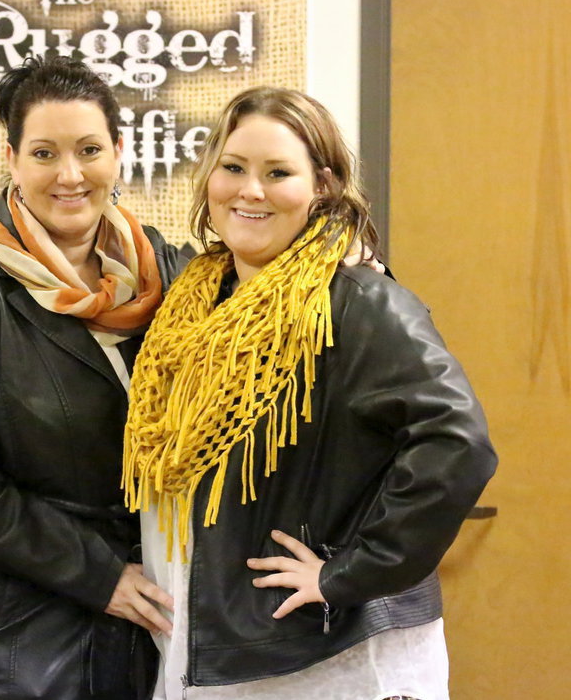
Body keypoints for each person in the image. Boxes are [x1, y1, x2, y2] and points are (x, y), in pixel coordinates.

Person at [123, 86, 498, 700]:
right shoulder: (192, 301)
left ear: (322, 186)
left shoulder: (359, 301)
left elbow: (459, 445)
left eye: (278, 173)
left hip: (331, 656)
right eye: (233, 167)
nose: (250, 190)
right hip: (216, 649)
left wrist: (348, 572)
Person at [0, 55, 180, 700]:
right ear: (14, 160)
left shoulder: (166, 269)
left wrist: (347, 257)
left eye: (89, 150)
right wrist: (97, 574)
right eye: (45, 153)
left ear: (119, 151)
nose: (70, 175)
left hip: (133, 622)